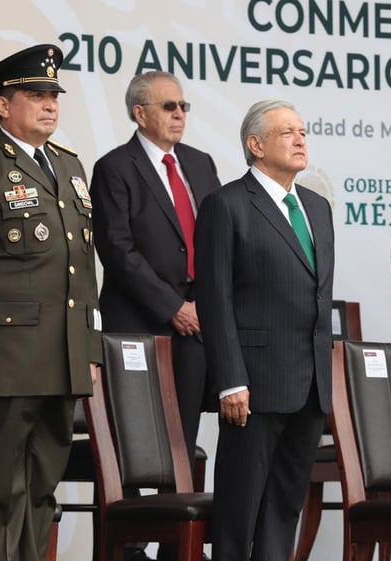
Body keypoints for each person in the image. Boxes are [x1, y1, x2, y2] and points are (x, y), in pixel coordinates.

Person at [0, 44, 101, 561]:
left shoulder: (70, 167)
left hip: (63, 356)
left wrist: (89, 348)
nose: (49, 104)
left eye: (53, 95)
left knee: (43, 489)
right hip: (3, 358)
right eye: (35, 94)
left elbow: (83, 267)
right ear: (3, 105)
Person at [195, 100, 334, 561]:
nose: (300, 140)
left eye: (303, 131)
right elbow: (215, 301)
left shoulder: (315, 206)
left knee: (284, 507)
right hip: (252, 384)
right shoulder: (226, 204)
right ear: (255, 145)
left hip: (310, 384)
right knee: (240, 508)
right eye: (287, 132)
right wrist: (231, 379)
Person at [91, 71, 221, 466]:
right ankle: (132, 528)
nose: (179, 113)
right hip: (140, 328)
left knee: (181, 450)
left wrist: (204, 306)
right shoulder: (114, 167)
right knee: (136, 456)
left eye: (184, 106)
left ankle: (178, 527)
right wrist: (172, 307)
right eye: (169, 106)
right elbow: (116, 249)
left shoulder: (200, 163)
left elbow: (217, 242)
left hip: (196, 327)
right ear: (140, 113)